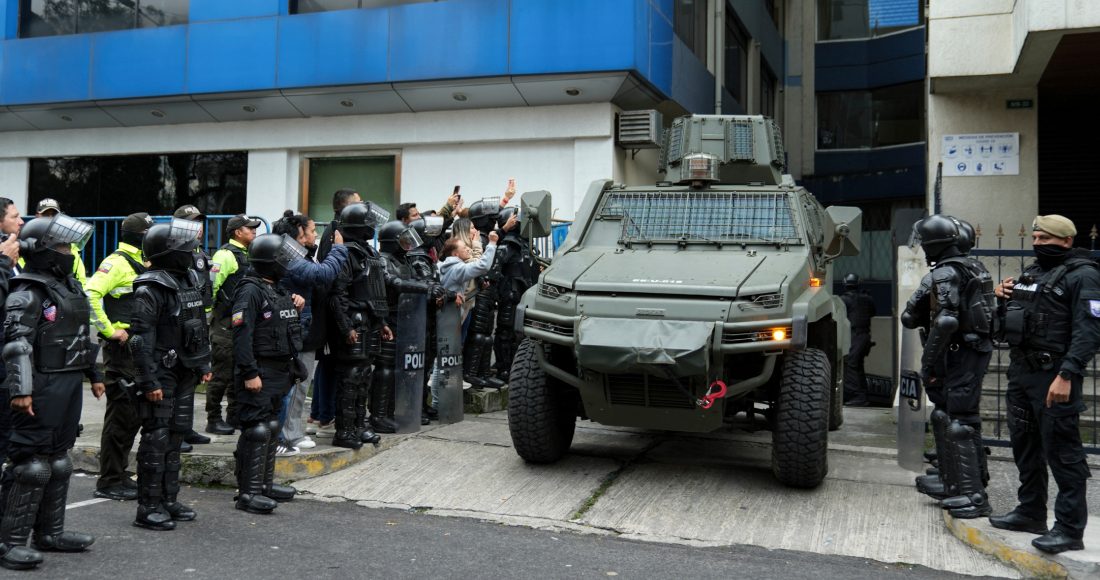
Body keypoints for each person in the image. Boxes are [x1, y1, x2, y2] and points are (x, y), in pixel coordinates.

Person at [990, 215, 1100, 554]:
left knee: (1063, 453)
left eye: (1045, 238)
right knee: (1025, 446)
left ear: (1066, 241)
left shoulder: (1083, 275)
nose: (1038, 243)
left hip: (1055, 375)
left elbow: (1089, 330)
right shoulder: (1033, 273)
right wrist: (1000, 297)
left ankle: (1068, 529)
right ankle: (1030, 512)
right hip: (1022, 373)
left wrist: (1067, 375)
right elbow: (1014, 317)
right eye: (1035, 238)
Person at [0, 214, 103, 570]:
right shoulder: (27, 292)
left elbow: (80, 335)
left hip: (69, 381)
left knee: (59, 461)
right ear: (43, 250)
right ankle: (9, 543)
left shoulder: (68, 286)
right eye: (62, 246)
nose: (69, 252)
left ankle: (50, 533)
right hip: (40, 384)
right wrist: (21, 390)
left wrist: (94, 373)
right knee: (30, 465)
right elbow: (16, 345)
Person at [900, 214, 995, 520]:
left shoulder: (945, 272)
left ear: (934, 243)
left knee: (960, 422)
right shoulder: (973, 266)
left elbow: (942, 321)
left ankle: (974, 496)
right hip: (969, 351)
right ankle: (953, 484)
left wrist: (927, 363)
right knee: (949, 416)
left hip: (959, 354)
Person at [127, 219, 212, 531]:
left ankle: (169, 499)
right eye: (185, 249)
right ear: (170, 253)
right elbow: (140, 340)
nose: (191, 253)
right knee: (156, 437)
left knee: (176, 435)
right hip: (161, 372)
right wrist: (147, 380)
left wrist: (204, 364)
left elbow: (199, 324)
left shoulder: (189, 279)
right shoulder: (150, 288)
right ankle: (148, 507)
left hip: (185, 369)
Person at [327, 203, 416, 447]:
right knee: (350, 378)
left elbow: (375, 291)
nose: (372, 228)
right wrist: (345, 327)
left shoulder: (368, 252)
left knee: (364, 377)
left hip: (371, 323)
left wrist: (381, 322)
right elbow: (337, 295)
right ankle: (344, 432)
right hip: (354, 323)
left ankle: (359, 426)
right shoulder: (345, 253)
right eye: (368, 223)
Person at [230, 234, 306, 514]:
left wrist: (296, 304)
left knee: (272, 426)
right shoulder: (250, 290)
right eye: (282, 259)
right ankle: (248, 494)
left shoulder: (276, 288)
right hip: (259, 371)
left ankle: (264, 485)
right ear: (269, 262)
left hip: (279, 371)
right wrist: (250, 372)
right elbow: (242, 335)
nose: (287, 264)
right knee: (257, 429)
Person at [86, 212, 153, 502]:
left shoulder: (143, 260)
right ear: (139, 236)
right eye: (148, 233)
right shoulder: (116, 262)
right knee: (121, 416)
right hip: (122, 350)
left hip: (139, 347)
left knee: (133, 416)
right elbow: (90, 294)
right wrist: (109, 329)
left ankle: (119, 472)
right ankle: (109, 480)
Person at [271, 211, 347, 454]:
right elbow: (322, 274)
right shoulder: (290, 258)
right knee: (295, 385)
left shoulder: (297, 255)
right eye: (312, 231)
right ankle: (289, 435)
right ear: (299, 235)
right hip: (294, 332)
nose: (316, 235)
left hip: (302, 329)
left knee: (299, 385)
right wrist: (338, 249)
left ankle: (292, 433)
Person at [372, 220, 445, 433]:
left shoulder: (403, 260)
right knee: (386, 369)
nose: (407, 243)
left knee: (400, 370)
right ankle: (378, 416)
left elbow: (419, 280)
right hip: (389, 317)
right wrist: (426, 289)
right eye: (403, 239)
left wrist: (438, 290)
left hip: (405, 317)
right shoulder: (382, 260)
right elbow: (394, 283)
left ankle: (392, 413)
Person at [307, 188, 361, 435]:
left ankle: (318, 414)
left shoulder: (336, 227)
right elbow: (334, 271)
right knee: (330, 362)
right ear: (347, 207)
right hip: (331, 304)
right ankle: (325, 418)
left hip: (329, 302)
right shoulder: (337, 230)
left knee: (326, 362)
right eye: (358, 203)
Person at [205, 214, 260, 435]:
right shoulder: (225, 255)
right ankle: (213, 418)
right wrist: (209, 316)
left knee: (237, 371)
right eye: (250, 228)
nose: (254, 231)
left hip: (240, 322)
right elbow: (211, 287)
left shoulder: (248, 254)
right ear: (238, 232)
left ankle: (233, 416)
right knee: (221, 372)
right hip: (225, 322)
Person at [172, 205, 216, 448]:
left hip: (199, 319)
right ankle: (174, 433)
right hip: (178, 322)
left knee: (191, 379)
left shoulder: (199, 252)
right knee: (176, 379)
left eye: (199, 222)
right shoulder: (171, 252)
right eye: (192, 222)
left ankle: (186, 429)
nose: (197, 227)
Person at [492, 207, 533, 383]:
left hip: (522, 292)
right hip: (510, 292)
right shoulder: (508, 244)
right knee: (505, 330)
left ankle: (514, 368)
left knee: (518, 332)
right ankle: (503, 367)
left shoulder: (523, 243)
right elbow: (494, 266)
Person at [0, 198, 24, 469]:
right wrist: (4, 262)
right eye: (14, 217)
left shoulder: (13, 255)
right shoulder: (4, 257)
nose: (21, 221)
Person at [26, 199, 87, 289]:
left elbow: (81, 283)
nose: (51, 218)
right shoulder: (28, 245)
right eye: (46, 214)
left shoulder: (69, 249)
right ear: (36, 217)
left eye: (54, 214)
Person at [840, 274, 876, 407]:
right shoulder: (867, 298)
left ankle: (857, 395)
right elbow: (873, 313)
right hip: (864, 336)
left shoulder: (844, 299)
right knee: (857, 365)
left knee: (850, 364)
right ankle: (862, 395)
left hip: (854, 335)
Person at [448, 218, 483, 341]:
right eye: (472, 228)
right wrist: (477, 245)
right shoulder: (459, 249)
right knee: (456, 339)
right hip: (461, 301)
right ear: (463, 231)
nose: (476, 231)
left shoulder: (467, 247)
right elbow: (478, 265)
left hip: (468, 300)